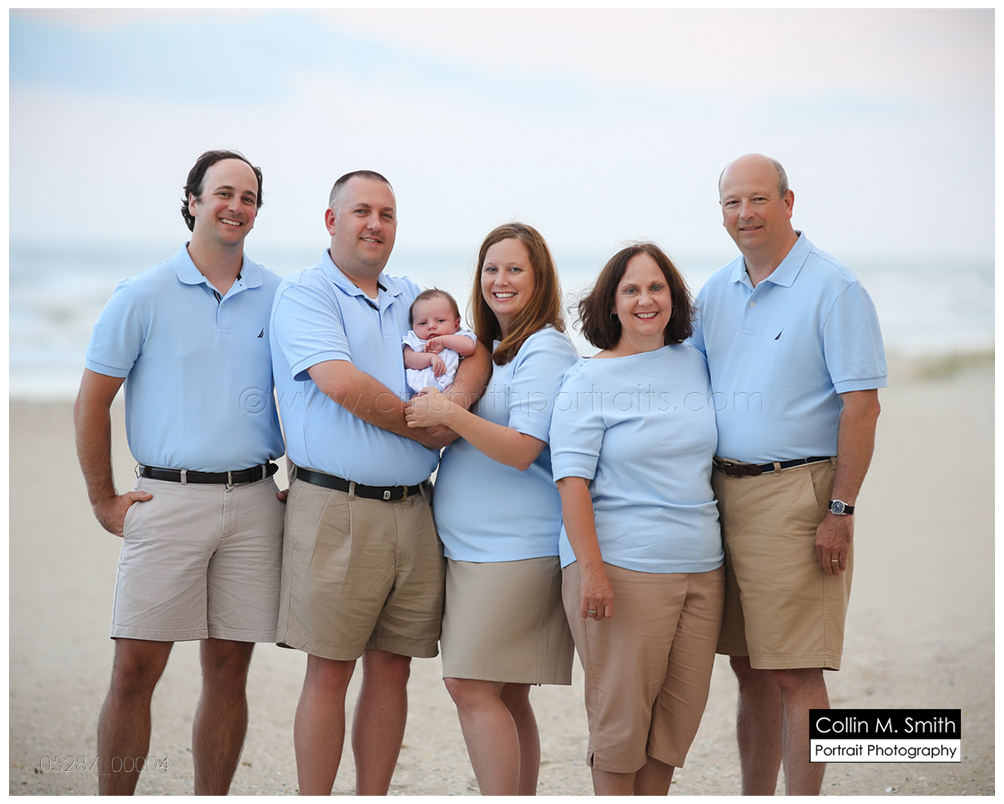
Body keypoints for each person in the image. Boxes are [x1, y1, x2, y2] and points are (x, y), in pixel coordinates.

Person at [268, 170, 491, 796]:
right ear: (331, 220)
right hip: (336, 506)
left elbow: (475, 355)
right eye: (361, 210)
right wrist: (425, 426)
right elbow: (341, 383)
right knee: (330, 671)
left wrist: (453, 409)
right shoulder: (306, 293)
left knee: (393, 669)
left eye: (387, 214)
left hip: (416, 511)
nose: (375, 224)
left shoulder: (412, 295)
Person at [73, 150, 286, 795]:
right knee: (134, 672)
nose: (236, 207)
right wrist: (103, 498)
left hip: (255, 502)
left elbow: (310, 394)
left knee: (229, 673)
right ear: (193, 201)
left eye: (248, 197)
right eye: (223, 193)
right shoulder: (143, 294)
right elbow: (92, 401)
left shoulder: (280, 296)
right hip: (167, 500)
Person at [690, 154, 885, 795]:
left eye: (757, 199)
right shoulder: (715, 291)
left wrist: (841, 510)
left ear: (788, 201)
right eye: (732, 203)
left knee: (795, 671)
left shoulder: (835, 288)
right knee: (747, 666)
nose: (744, 214)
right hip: (721, 495)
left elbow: (862, 406)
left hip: (796, 497)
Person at [404, 222, 578, 795]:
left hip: (515, 549)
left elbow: (524, 448)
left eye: (515, 269)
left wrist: (448, 413)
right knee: (506, 692)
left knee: (470, 686)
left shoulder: (544, 348)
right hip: (470, 548)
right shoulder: (489, 350)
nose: (500, 280)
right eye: (491, 269)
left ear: (540, 278)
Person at [549, 243, 725, 796]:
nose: (645, 300)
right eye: (631, 289)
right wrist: (592, 572)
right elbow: (570, 482)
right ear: (611, 302)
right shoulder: (586, 381)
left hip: (702, 568)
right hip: (622, 570)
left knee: (672, 730)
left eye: (655, 287)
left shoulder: (694, 361)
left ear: (673, 297)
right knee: (620, 732)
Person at [402, 288, 477, 395]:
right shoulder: (414, 339)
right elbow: (408, 359)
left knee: (456, 397)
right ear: (412, 326)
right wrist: (430, 358)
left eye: (440, 321)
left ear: (456, 325)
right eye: (423, 323)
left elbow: (469, 347)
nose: (431, 326)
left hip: (450, 386)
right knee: (415, 403)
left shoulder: (457, 337)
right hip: (420, 390)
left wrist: (443, 341)